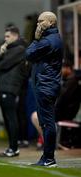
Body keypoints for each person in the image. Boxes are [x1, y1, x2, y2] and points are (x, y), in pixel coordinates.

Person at [25, 11, 63, 166]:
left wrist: (35, 39)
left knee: (47, 122)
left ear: (50, 23)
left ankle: (49, 158)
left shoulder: (48, 41)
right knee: (45, 122)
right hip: (46, 84)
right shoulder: (53, 39)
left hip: (46, 86)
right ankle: (47, 157)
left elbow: (28, 54)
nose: (38, 24)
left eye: (41, 21)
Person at [0, 25, 30, 157]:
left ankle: (14, 148)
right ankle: (12, 147)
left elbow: (1, 65)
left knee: (11, 118)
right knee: (8, 119)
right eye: (5, 36)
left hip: (10, 88)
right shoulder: (10, 49)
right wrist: (0, 52)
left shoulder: (20, 49)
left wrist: (2, 56)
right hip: (4, 87)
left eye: (8, 36)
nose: (5, 39)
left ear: (15, 36)